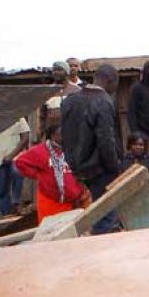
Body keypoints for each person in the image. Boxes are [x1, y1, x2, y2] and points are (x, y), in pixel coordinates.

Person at [60, 63, 123, 206]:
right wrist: (114, 167)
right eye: (115, 85)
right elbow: (106, 141)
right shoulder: (104, 101)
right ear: (110, 81)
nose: (114, 89)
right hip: (99, 170)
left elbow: (64, 135)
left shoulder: (69, 100)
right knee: (105, 213)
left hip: (76, 168)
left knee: (85, 212)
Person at [14, 122, 88, 225]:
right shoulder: (41, 150)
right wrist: (38, 175)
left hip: (71, 203)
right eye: (61, 134)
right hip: (50, 203)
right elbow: (20, 162)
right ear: (53, 135)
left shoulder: (70, 149)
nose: (64, 136)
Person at [128, 59, 149, 142]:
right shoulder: (137, 88)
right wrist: (136, 134)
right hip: (142, 135)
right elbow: (132, 113)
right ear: (146, 70)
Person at [124, 133, 149, 203]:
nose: (138, 147)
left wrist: (141, 184)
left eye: (141, 145)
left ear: (145, 146)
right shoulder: (125, 160)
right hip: (129, 197)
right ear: (130, 145)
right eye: (135, 144)